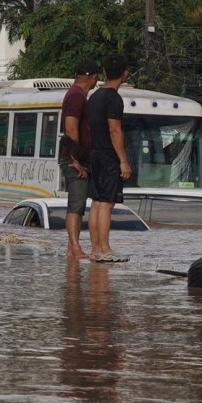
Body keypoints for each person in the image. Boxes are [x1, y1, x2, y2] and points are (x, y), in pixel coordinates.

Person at [86, 54, 132, 262]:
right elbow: (115, 131)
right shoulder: (114, 98)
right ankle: (104, 249)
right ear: (125, 74)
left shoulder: (94, 96)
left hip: (94, 154)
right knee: (107, 203)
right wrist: (123, 160)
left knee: (96, 202)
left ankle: (96, 249)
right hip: (107, 156)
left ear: (104, 72)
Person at [60, 59, 100, 259]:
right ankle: (75, 247)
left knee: (78, 203)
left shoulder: (77, 95)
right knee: (76, 204)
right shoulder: (76, 96)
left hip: (75, 156)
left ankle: (71, 248)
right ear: (93, 78)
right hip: (73, 159)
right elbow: (71, 128)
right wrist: (76, 160)